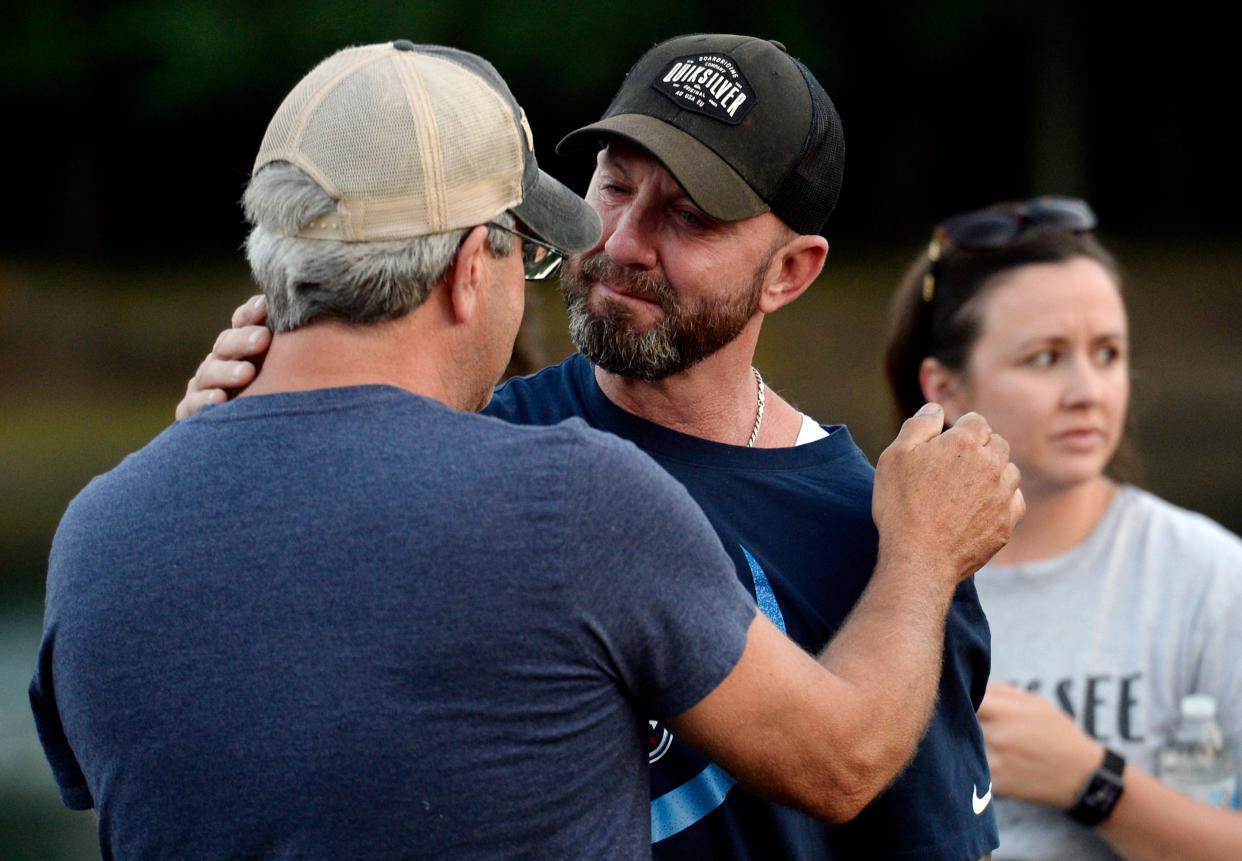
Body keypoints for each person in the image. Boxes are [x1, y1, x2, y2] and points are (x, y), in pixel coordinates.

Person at [29, 41, 1021, 860]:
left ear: (791, 272)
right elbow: (842, 756)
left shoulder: (104, 525)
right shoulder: (558, 487)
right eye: (612, 187)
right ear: (473, 273)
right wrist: (229, 466)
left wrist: (205, 466)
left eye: (689, 215)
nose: (620, 240)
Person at [883, 196, 1242, 860]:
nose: (1088, 390)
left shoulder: (1211, 577)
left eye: (1107, 353)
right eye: (1045, 358)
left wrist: (1094, 783)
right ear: (945, 388)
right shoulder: (878, 575)